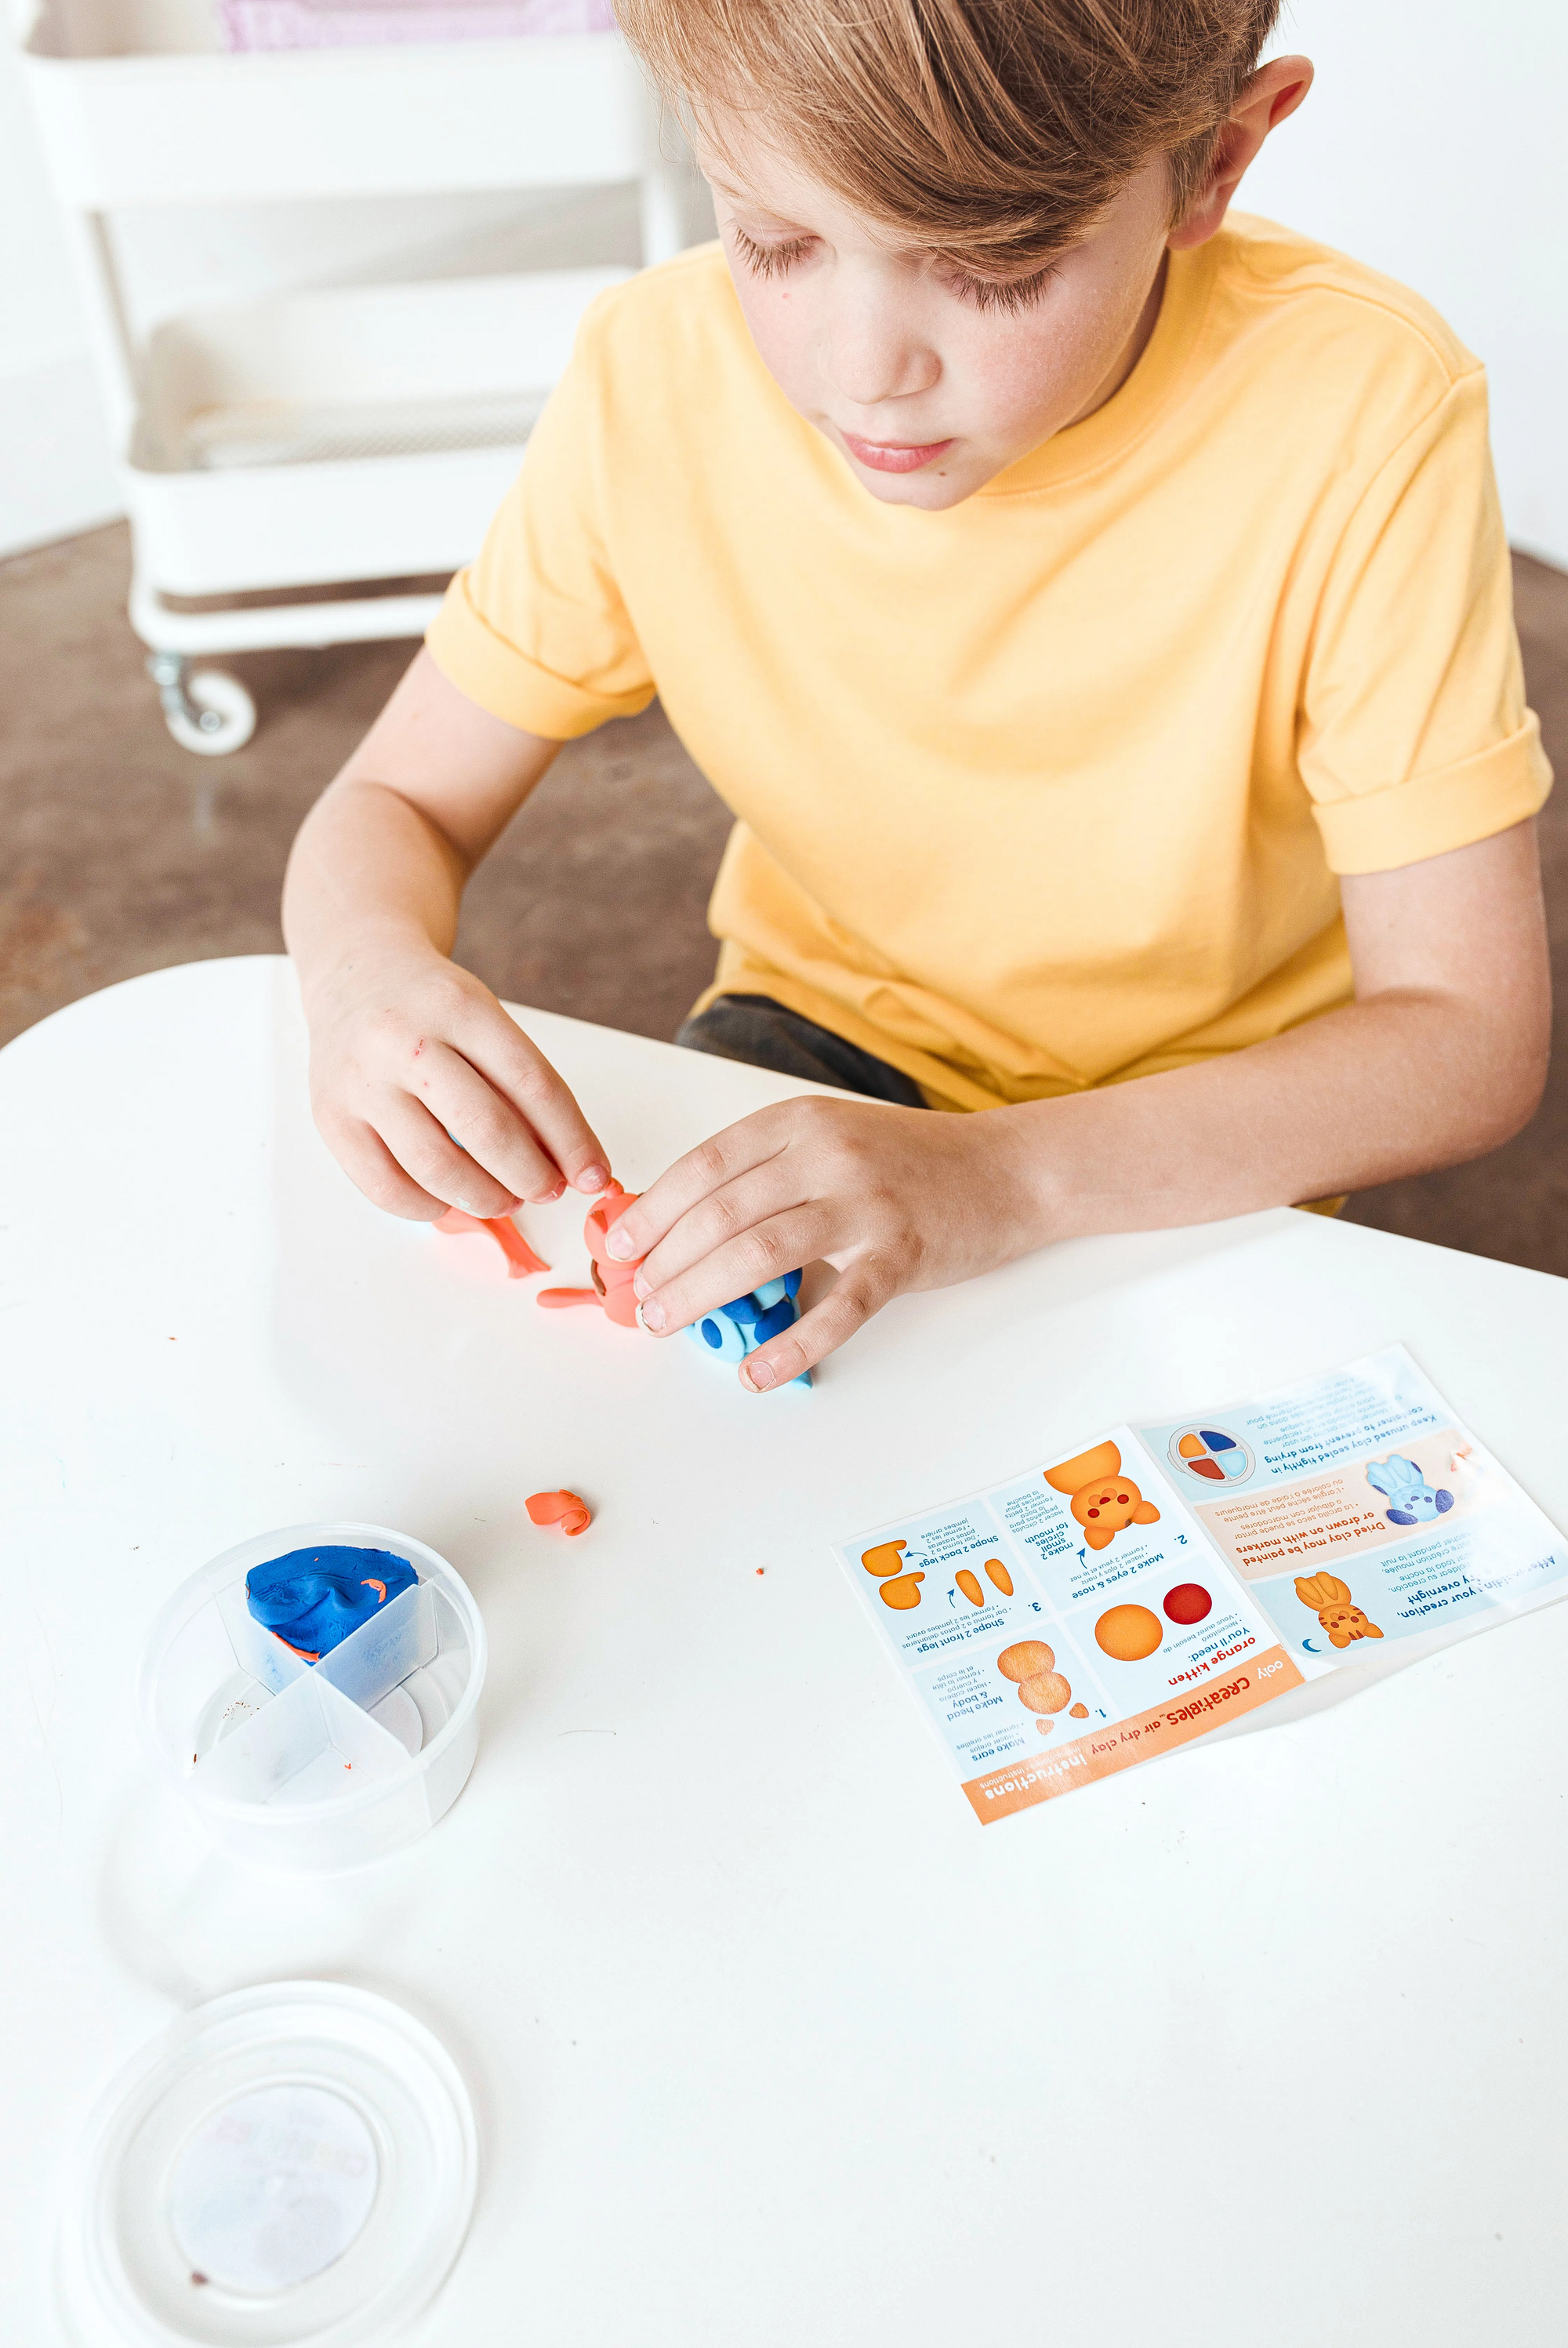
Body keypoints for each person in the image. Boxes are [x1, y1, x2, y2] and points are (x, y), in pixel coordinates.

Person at [283, 0, 1552, 1392]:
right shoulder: (654, 380)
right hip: (821, 1039)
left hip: (1200, 1116)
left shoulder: (1365, 411)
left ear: (1217, 162)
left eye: (990, 267)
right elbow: (396, 797)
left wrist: (1004, 1180)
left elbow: (1467, 1034)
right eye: (776, 242)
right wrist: (361, 977)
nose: (862, 370)